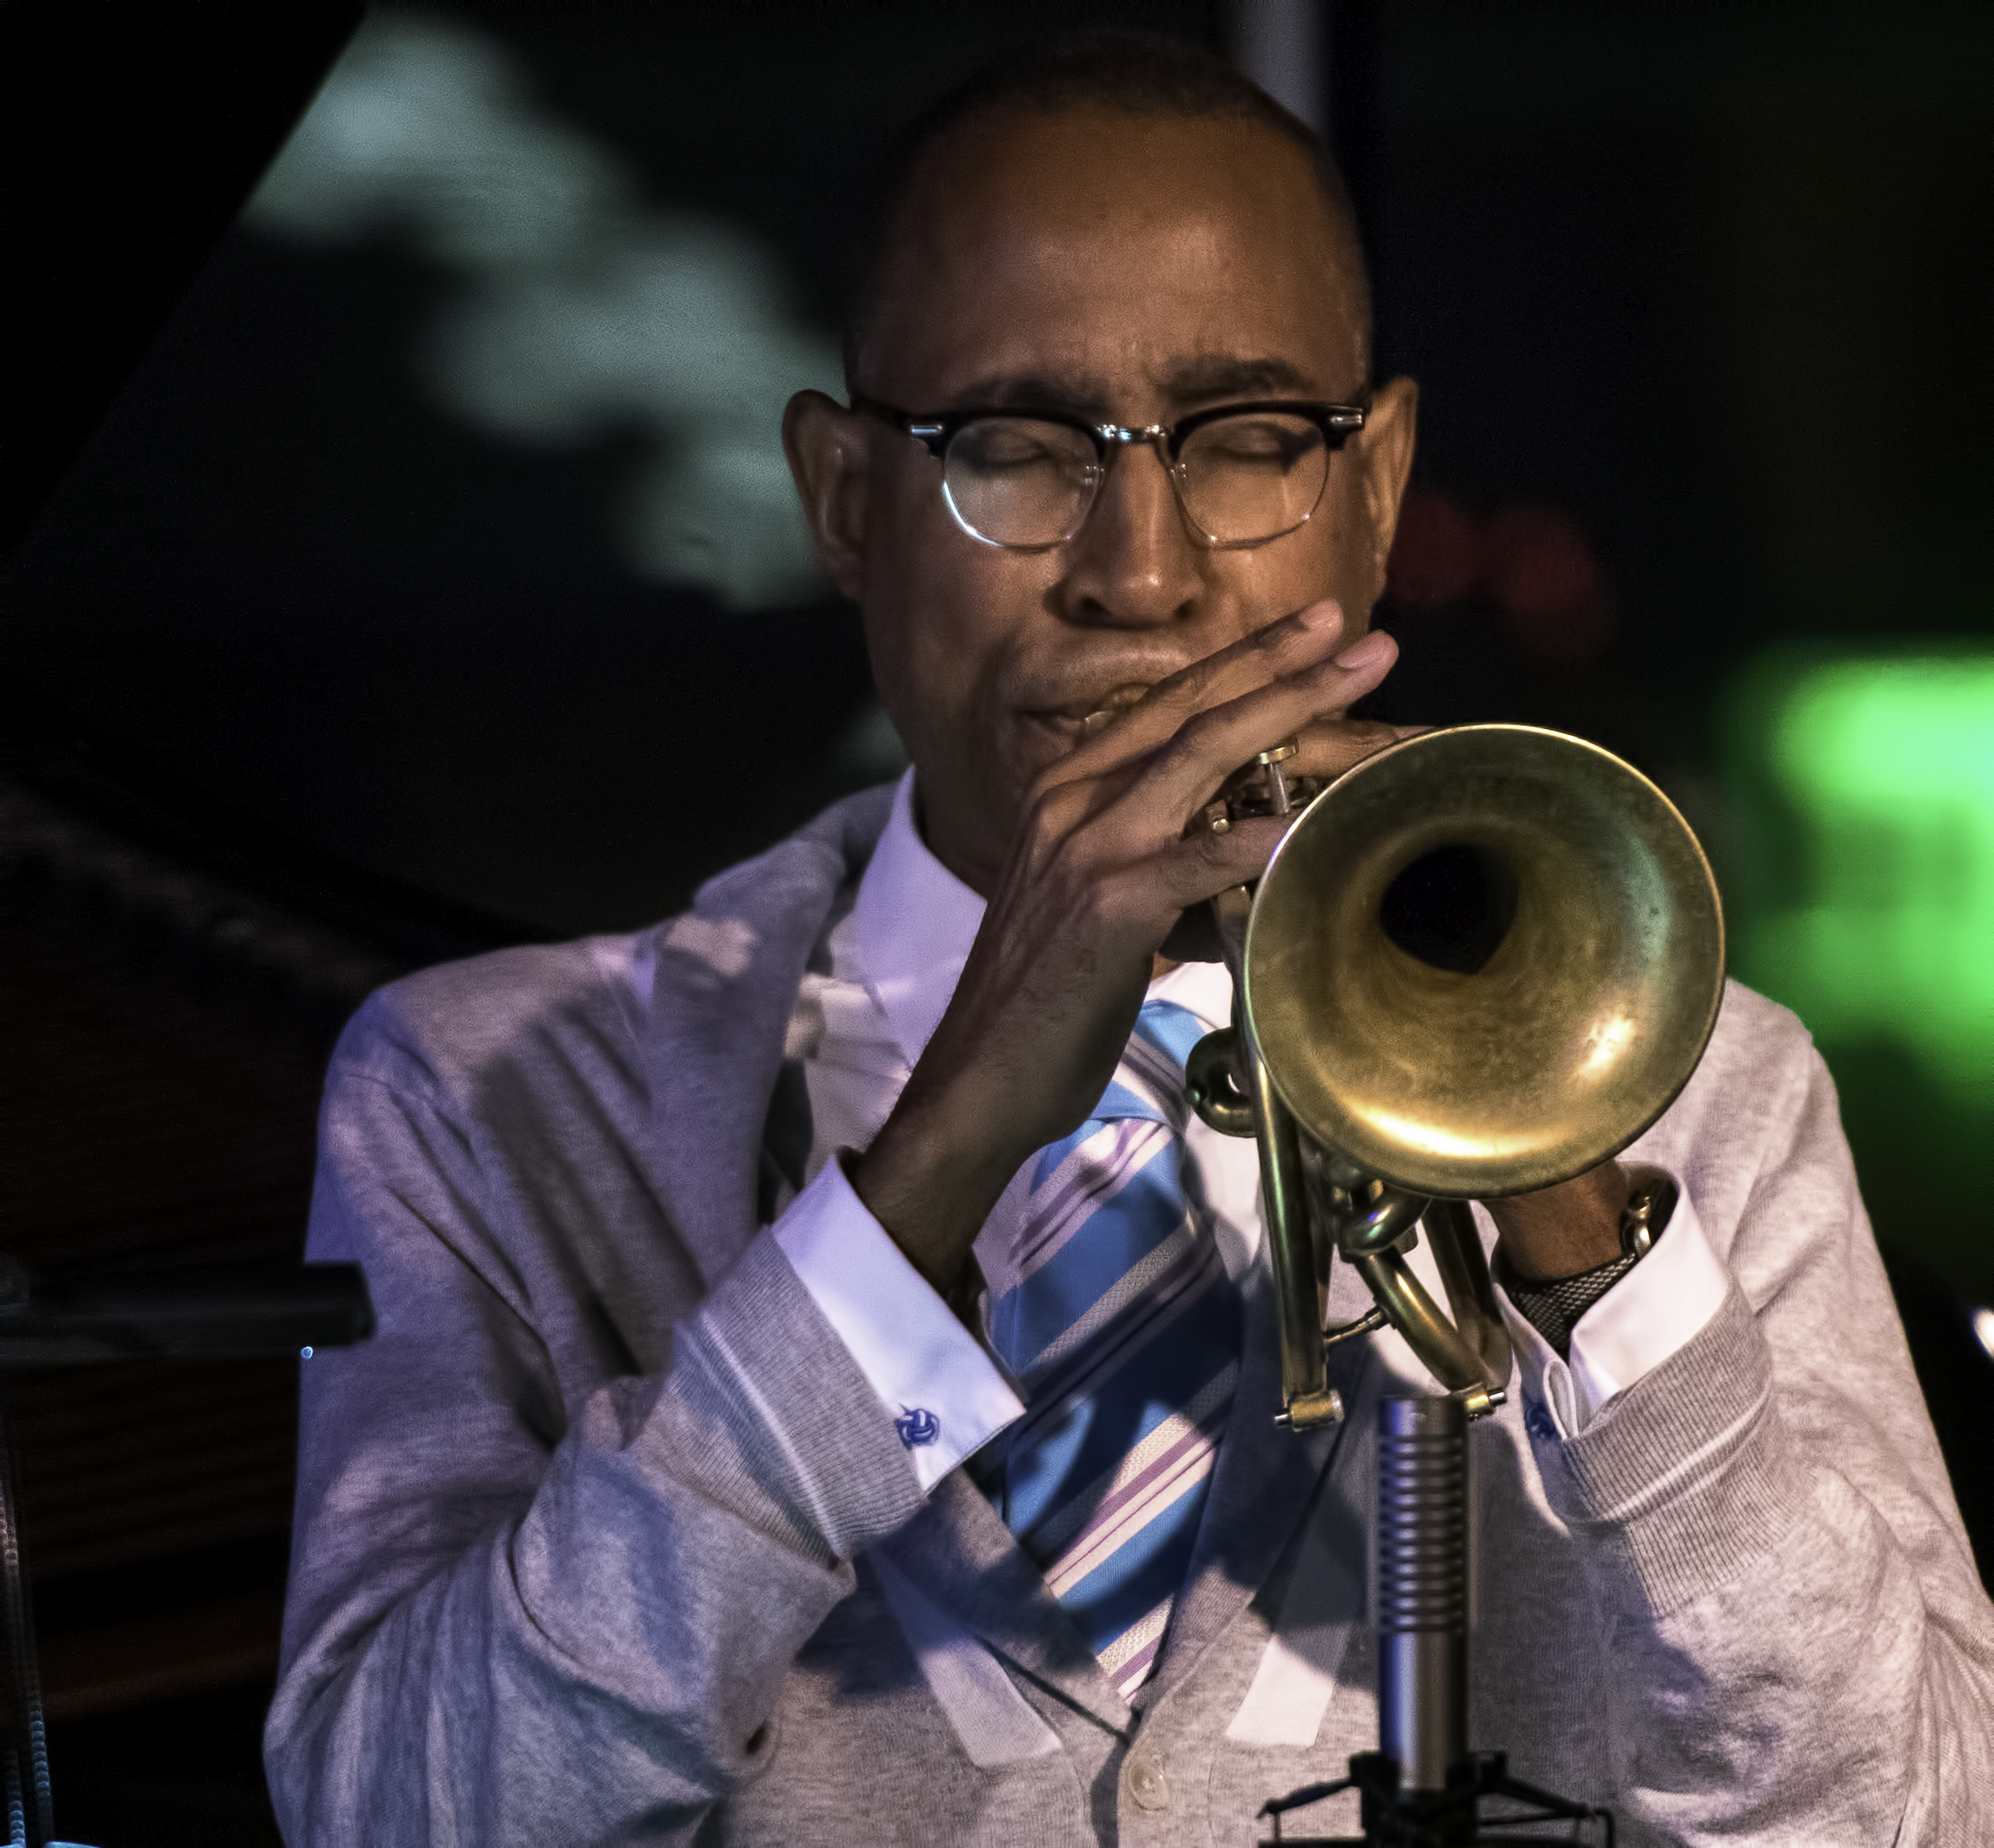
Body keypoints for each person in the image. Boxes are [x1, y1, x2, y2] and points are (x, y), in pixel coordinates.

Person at [263, 32, 1994, 1846]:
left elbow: (1920, 1816)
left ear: (1379, 487)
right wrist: (915, 1182)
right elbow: (393, 1814)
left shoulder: (1699, 1089)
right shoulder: (483, 1095)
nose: (1144, 572)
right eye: (1013, 448)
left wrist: (1570, 1204)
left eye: (1253, 444)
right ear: (845, 498)